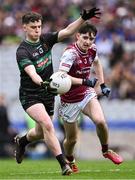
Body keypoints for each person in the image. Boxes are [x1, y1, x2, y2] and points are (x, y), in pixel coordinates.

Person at [15, 8, 101, 176]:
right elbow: (32, 72)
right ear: (24, 27)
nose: (37, 30)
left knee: (41, 132)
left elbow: (68, 31)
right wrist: (43, 82)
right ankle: (63, 164)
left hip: (48, 93)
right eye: (33, 27)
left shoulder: (46, 39)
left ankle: (22, 141)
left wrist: (82, 18)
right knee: (48, 125)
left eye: (39, 26)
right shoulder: (22, 51)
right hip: (30, 95)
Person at [58, 23, 123, 173]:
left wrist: (103, 84)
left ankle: (106, 151)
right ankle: (70, 158)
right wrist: (84, 81)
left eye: (92, 39)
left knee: (100, 121)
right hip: (68, 99)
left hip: (86, 93)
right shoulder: (70, 53)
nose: (88, 41)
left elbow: (97, 63)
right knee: (72, 139)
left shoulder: (92, 49)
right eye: (85, 37)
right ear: (77, 36)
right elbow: (61, 76)